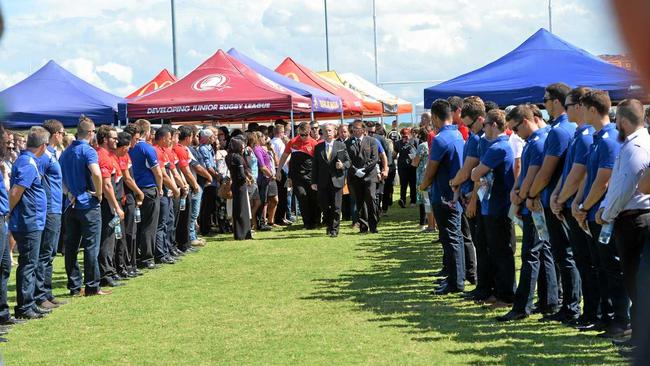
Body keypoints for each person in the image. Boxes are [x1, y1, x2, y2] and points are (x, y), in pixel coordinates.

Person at [593, 99, 650, 352]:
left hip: (634, 219)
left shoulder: (635, 146)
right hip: (633, 217)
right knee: (635, 282)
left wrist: (607, 212)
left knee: (636, 283)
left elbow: (626, 186)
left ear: (623, 121)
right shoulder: (633, 143)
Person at [573, 90, 628, 338]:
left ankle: (620, 321)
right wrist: (578, 202)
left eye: (582, 108)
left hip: (603, 215)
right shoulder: (597, 138)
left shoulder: (608, 140)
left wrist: (584, 207)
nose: (579, 113)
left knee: (611, 269)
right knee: (601, 267)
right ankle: (605, 317)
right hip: (592, 213)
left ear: (593, 110)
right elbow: (588, 176)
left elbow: (603, 182)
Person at [526, 83, 581, 323]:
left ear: (557, 102)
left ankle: (570, 306)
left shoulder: (559, 130)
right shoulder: (567, 128)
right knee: (566, 256)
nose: (544, 105)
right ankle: (567, 304)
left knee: (565, 256)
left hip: (557, 200)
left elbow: (546, 171)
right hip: (563, 199)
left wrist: (530, 194)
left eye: (546, 100)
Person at [497, 105, 558, 321]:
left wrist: (520, 195)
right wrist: (518, 190)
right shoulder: (534, 141)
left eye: (515, 129)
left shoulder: (538, 142)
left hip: (534, 204)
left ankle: (522, 306)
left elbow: (534, 175)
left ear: (524, 121)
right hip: (531, 201)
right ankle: (549, 301)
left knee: (531, 254)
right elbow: (525, 172)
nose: (514, 134)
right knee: (542, 253)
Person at [550, 87, 597, 328]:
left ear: (579, 107)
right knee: (578, 259)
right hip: (570, 203)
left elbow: (579, 175)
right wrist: (558, 194)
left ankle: (590, 313)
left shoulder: (587, 135)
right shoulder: (580, 134)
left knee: (587, 262)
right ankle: (579, 309)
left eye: (567, 106)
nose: (564, 112)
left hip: (579, 206)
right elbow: (568, 172)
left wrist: (560, 198)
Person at [418, 99, 465, 295]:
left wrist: (423, 185)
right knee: (455, 237)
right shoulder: (458, 135)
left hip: (444, 194)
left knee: (450, 238)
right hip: (454, 193)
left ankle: (455, 282)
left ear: (436, 117)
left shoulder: (439, 139)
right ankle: (456, 278)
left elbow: (431, 169)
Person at [471, 109, 516, 308]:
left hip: (498, 207)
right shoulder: (498, 146)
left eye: (486, 125)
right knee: (496, 252)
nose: (484, 129)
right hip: (492, 206)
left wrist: (477, 172)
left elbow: (475, 173)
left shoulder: (499, 147)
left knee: (501, 253)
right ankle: (498, 293)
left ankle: (505, 296)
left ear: (494, 125)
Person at [450, 96, 489, 301]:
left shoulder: (479, 139)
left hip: (477, 197)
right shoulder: (475, 137)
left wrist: (455, 184)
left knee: (482, 245)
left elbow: (473, 174)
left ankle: (484, 287)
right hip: (469, 194)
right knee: (478, 243)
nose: (469, 129)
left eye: (470, 125)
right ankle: (482, 286)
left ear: (480, 119)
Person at [10, 127, 49, 319]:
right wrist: (8, 212)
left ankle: (29, 303)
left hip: (32, 219)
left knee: (31, 263)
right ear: (43, 146)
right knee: (28, 264)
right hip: (28, 220)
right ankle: (25, 306)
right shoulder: (27, 163)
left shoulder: (29, 161)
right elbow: (16, 192)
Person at [34, 120, 65, 310]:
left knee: (50, 253)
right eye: (61, 132)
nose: (63, 135)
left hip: (56, 207)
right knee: (45, 253)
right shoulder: (43, 156)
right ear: (55, 134)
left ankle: (47, 292)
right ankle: (40, 294)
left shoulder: (51, 154)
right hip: (50, 208)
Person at [129, 119, 163, 270]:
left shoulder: (129, 147)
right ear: (147, 132)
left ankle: (135, 255)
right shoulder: (147, 149)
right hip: (148, 189)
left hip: (133, 188)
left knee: (136, 224)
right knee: (149, 225)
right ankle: (147, 258)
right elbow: (158, 172)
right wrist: (160, 188)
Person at [95, 126, 125, 287]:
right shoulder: (103, 156)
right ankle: (105, 274)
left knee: (111, 237)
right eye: (113, 138)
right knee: (106, 238)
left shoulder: (109, 155)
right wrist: (116, 206)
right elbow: (107, 185)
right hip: (107, 204)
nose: (116, 140)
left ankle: (109, 270)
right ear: (105, 139)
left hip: (111, 201)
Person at [276, 122, 319, 229]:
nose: (303, 137)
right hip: (297, 176)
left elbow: (318, 161)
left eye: (305, 135)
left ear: (309, 132)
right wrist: (278, 170)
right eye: (301, 135)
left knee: (313, 199)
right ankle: (307, 223)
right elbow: (284, 156)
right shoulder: (293, 142)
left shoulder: (314, 144)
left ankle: (315, 220)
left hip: (311, 176)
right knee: (302, 197)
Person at [311, 123, 350, 237]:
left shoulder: (340, 145)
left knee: (336, 207)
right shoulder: (318, 147)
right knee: (324, 206)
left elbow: (348, 162)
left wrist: (342, 165)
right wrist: (313, 182)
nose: (328, 133)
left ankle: (334, 229)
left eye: (330, 131)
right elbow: (315, 166)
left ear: (334, 132)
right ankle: (329, 224)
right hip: (322, 181)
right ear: (322, 132)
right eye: (326, 131)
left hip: (337, 180)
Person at [346, 120, 380, 234]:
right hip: (355, 177)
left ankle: (373, 225)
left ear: (363, 130)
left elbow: (374, 158)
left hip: (370, 175)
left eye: (357, 128)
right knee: (360, 202)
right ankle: (363, 226)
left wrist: (364, 169)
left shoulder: (371, 141)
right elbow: (346, 159)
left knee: (371, 199)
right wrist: (355, 171)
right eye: (353, 129)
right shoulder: (348, 142)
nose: (355, 130)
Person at [153, 126, 180, 265]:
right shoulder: (157, 151)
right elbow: (162, 174)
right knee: (162, 224)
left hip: (167, 191)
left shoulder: (163, 151)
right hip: (163, 191)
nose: (170, 141)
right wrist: (175, 188)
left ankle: (167, 249)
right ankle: (161, 253)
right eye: (169, 138)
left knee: (169, 221)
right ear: (163, 138)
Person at [226, 137, 252, 240]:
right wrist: (247, 179)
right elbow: (241, 174)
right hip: (240, 184)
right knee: (243, 209)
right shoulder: (238, 158)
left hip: (235, 184)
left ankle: (238, 232)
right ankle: (244, 232)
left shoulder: (229, 157)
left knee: (237, 209)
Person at [413, 128, 436, 232]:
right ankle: (436, 225)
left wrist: (413, 159)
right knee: (434, 202)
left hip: (424, 177)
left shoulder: (422, 146)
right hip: (434, 176)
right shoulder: (436, 145)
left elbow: (415, 162)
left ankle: (431, 226)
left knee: (427, 202)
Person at [270, 124, 289, 225]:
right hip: (281, 170)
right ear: (281, 132)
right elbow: (283, 158)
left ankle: (279, 217)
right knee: (283, 195)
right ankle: (280, 218)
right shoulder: (280, 143)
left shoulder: (271, 142)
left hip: (274, 170)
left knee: (278, 194)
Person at [395, 128, 417, 208]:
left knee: (412, 184)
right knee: (403, 184)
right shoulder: (397, 143)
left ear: (410, 135)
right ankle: (402, 200)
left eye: (406, 136)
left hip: (413, 167)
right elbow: (394, 153)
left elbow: (419, 153)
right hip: (402, 167)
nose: (404, 138)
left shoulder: (415, 141)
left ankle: (413, 201)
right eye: (402, 136)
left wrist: (410, 144)